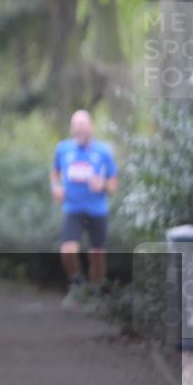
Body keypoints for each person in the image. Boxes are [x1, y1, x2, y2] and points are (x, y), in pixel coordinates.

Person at [51, 110, 118, 312]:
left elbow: (114, 183)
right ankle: (77, 286)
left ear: (91, 126)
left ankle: (96, 291)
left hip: (97, 210)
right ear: (72, 129)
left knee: (97, 254)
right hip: (73, 208)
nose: (79, 129)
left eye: (83, 124)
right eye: (75, 125)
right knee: (67, 251)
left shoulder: (103, 151)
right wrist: (55, 187)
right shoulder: (63, 149)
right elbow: (54, 173)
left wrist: (103, 185)